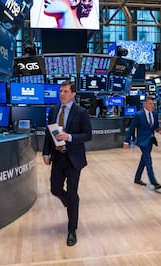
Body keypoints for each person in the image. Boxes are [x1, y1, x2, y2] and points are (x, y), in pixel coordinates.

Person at [43, 80, 92, 246]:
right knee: (54, 189)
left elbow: (87, 135)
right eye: (60, 91)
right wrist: (45, 152)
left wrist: (69, 137)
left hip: (73, 159)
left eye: (65, 91)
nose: (61, 94)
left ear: (73, 94)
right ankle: (67, 201)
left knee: (72, 194)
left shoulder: (81, 112)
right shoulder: (54, 110)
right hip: (57, 158)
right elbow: (48, 132)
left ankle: (72, 230)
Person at [124, 96, 161, 190]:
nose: (152, 106)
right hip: (142, 141)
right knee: (148, 160)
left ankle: (137, 178)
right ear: (145, 104)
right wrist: (126, 141)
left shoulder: (154, 113)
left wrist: (159, 130)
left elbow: (155, 126)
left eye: (153, 104)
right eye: (150, 104)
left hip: (150, 140)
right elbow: (131, 128)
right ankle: (154, 183)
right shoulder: (138, 115)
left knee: (144, 160)